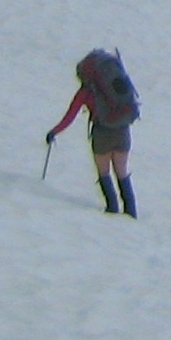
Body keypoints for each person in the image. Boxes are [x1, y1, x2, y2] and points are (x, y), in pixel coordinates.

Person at [48, 49, 140, 216]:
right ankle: (131, 211)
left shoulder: (86, 92)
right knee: (122, 172)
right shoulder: (115, 83)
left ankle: (112, 209)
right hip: (122, 131)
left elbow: (70, 116)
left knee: (104, 172)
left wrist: (54, 132)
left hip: (102, 134)